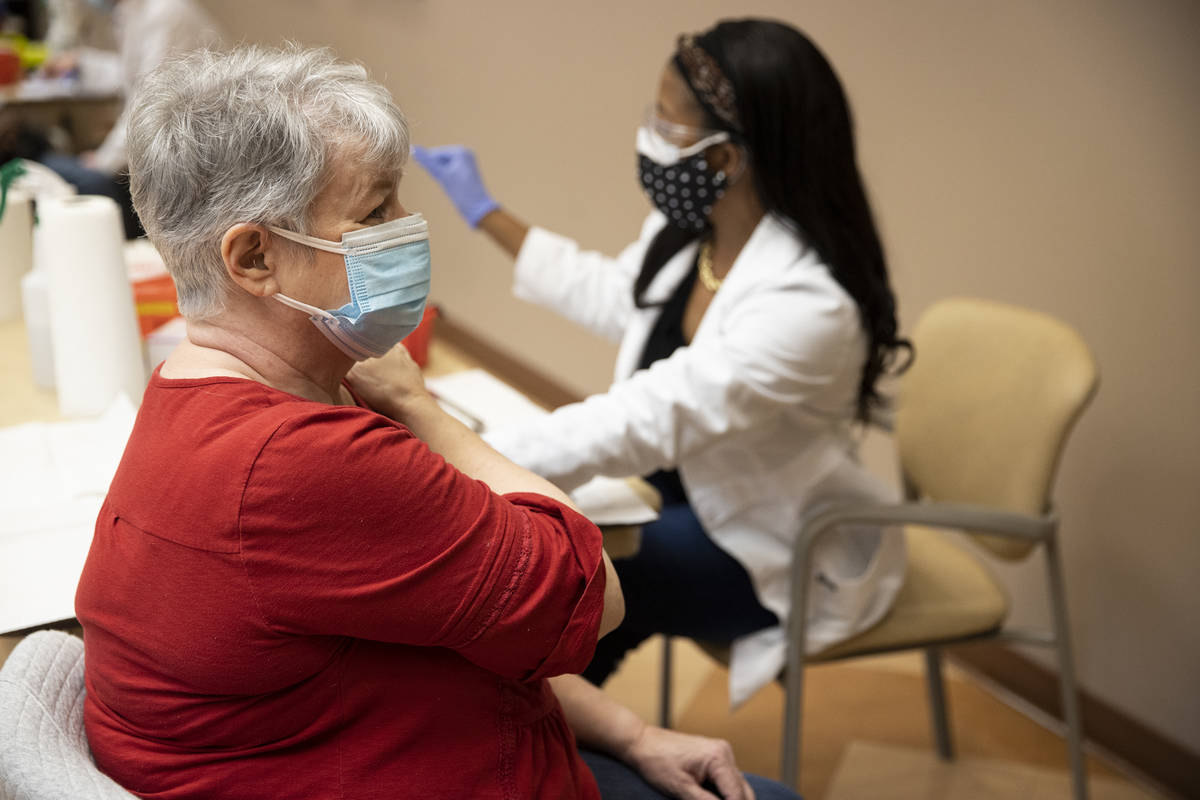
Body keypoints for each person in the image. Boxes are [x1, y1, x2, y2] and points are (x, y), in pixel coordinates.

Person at [74, 44, 798, 800]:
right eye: (376, 210)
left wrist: (635, 735)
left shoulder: (193, 391)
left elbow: (444, 630)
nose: (408, 226)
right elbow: (590, 594)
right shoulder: (300, 459)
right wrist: (425, 411)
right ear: (254, 257)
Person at [365, 18, 912, 708]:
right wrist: (485, 212)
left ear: (727, 159)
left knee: (574, 574)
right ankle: (547, 732)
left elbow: (643, 420)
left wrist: (448, 453)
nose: (649, 130)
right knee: (558, 570)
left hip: (760, 545)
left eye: (666, 118)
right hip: (677, 492)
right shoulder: (698, 234)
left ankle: (542, 742)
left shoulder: (806, 306)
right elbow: (618, 298)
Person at [38, 0, 222, 236]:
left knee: (59, 170)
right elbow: (132, 73)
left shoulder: (165, 12)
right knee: (59, 167)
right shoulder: (135, 13)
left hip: (193, 163)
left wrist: (102, 161)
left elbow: (150, 103)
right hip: (169, 156)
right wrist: (81, 63)